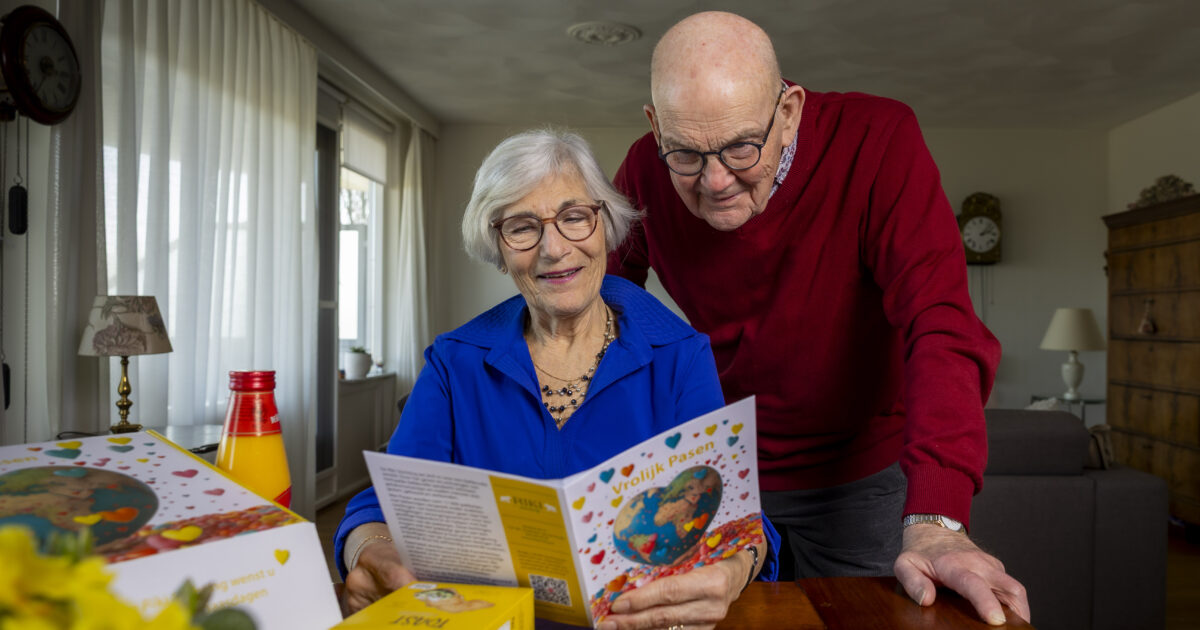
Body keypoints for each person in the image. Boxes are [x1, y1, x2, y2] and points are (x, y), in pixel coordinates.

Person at [607, 11, 1030, 626]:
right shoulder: (645, 168)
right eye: (687, 155)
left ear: (788, 112)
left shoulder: (878, 140)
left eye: (741, 148)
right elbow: (598, 312)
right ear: (655, 127)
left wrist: (938, 520)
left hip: (863, 477)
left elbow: (940, 324)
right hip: (724, 477)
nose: (716, 181)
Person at [334, 128, 778, 629]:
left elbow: (737, 518)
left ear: (604, 224)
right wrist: (370, 550)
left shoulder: (680, 356)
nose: (554, 248)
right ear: (499, 248)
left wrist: (736, 568)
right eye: (522, 227)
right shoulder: (454, 363)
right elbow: (384, 504)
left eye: (573, 217)